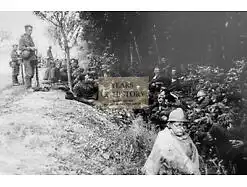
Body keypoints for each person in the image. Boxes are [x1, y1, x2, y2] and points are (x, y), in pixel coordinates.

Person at [142, 108, 200, 175]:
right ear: (170, 125)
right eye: (178, 125)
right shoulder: (164, 136)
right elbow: (154, 162)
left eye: (183, 125)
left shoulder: (186, 138)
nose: (181, 128)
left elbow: (194, 157)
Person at [19, 25, 37, 89]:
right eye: (29, 30)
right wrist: (29, 48)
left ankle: (30, 85)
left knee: (32, 73)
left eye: (31, 30)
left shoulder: (30, 38)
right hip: (27, 57)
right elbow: (20, 47)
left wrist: (34, 48)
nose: (31, 31)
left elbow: (33, 46)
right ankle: (28, 87)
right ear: (26, 30)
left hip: (32, 57)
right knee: (28, 72)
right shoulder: (22, 38)